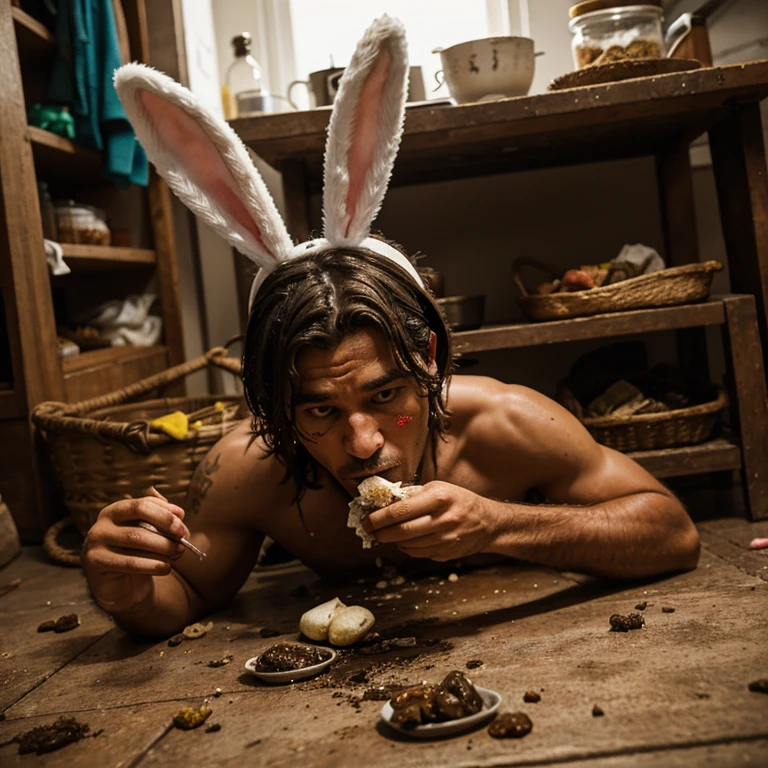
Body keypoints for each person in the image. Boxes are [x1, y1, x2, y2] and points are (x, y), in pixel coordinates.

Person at [81, 18, 699, 637]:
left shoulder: (508, 423)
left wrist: (498, 525)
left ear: (428, 358)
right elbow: (185, 591)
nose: (363, 442)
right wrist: (125, 585)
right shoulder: (250, 469)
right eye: (319, 411)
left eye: (385, 396)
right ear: (275, 404)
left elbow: (672, 533)